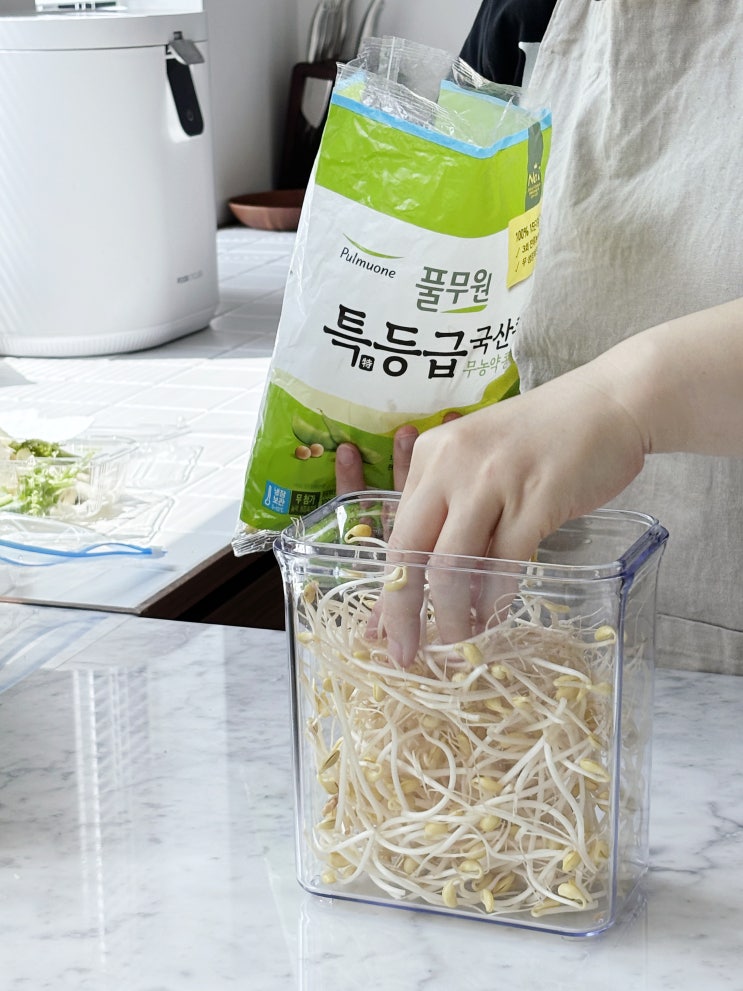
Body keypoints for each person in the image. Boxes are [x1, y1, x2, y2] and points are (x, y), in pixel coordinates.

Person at [336, 0, 743, 674]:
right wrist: (422, 458)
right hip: (540, 651)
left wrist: (620, 402)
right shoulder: (527, 11)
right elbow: (459, 255)